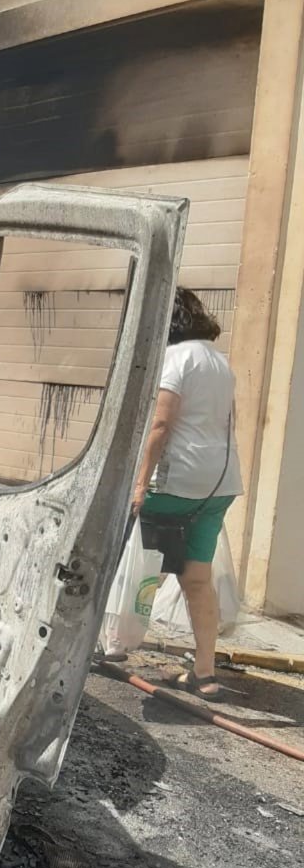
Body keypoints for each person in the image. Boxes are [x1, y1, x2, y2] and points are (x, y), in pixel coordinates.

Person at [130, 287, 242, 696]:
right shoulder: (220, 362)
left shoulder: (175, 358)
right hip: (219, 485)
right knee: (197, 577)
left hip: (176, 483)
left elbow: (161, 424)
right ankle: (205, 674)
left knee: (131, 566)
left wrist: (139, 483)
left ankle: (112, 645)